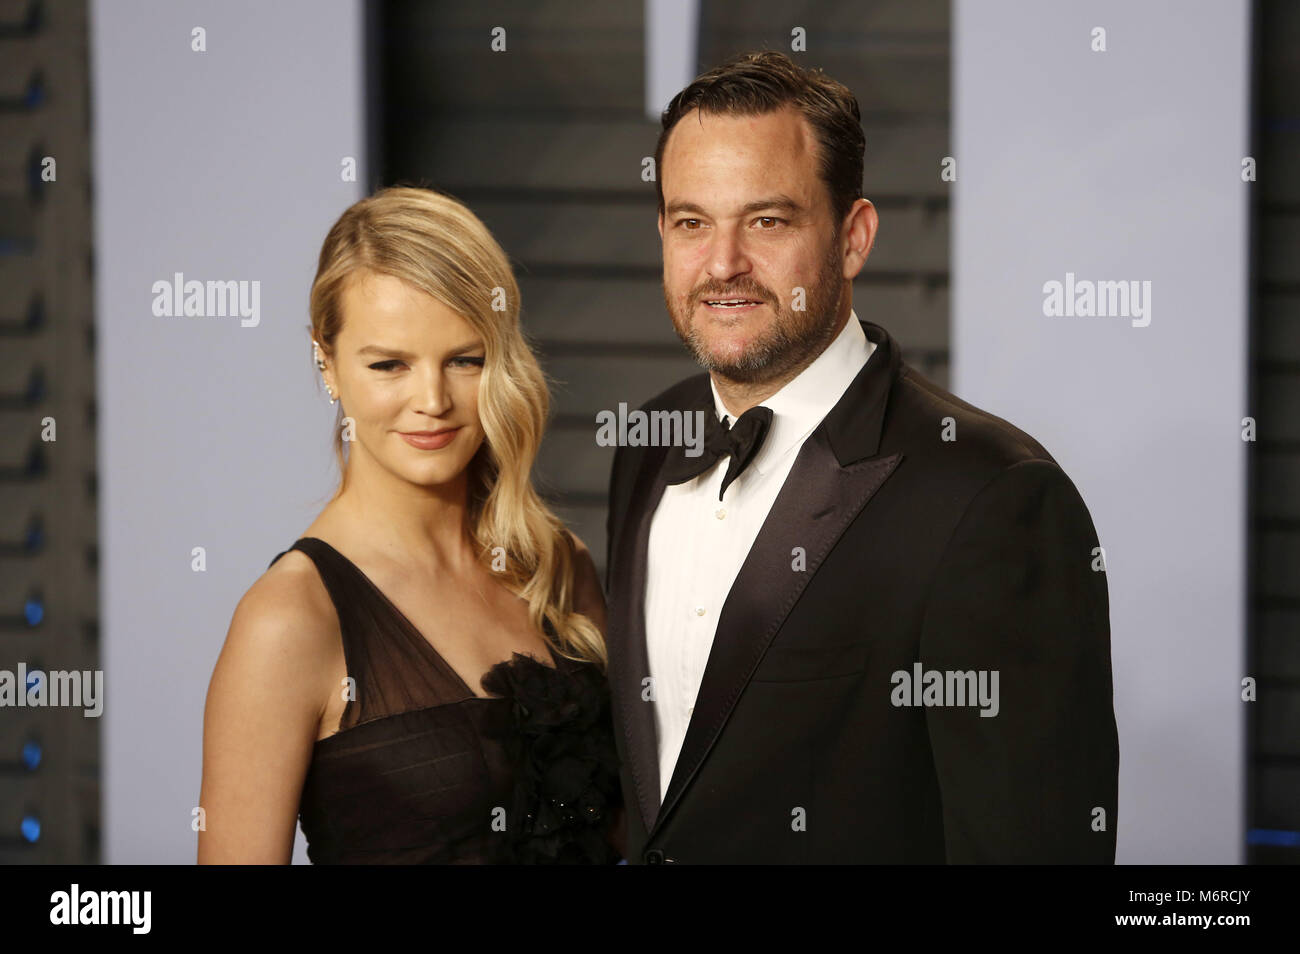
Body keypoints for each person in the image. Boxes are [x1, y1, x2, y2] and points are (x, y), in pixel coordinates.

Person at [604, 51, 1119, 863]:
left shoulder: (992, 496)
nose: (723, 262)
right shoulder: (649, 442)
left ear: (853, 237)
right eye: (691, 222)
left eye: (768, 221)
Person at [199, 187, 622, 864]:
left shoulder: (556, 568)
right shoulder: (290, 621)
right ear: (326, 362)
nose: (431, 401)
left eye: (465, 360)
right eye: (389, 364)